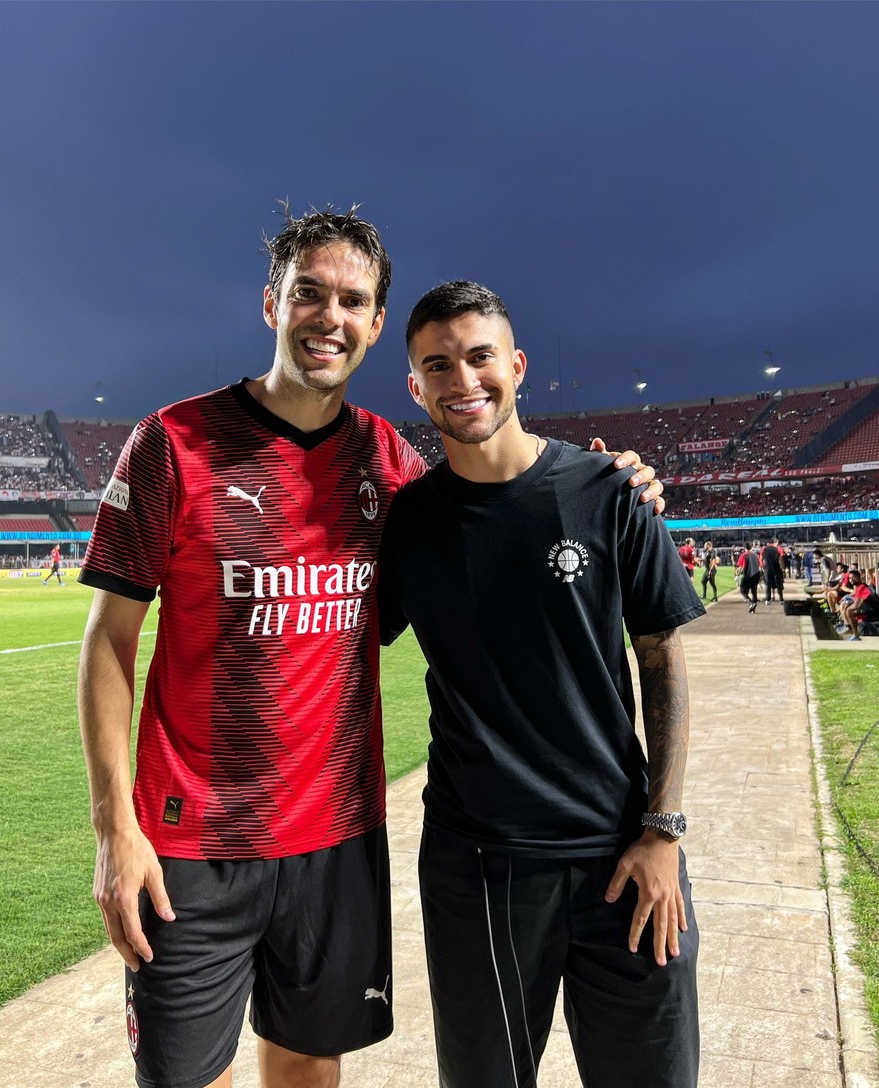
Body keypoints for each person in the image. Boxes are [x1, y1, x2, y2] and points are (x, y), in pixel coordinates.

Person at [76, 208, 666, 1088]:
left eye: (353, 299)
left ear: (377, 324)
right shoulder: (174, 443)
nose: (329, 315)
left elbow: (496, 514)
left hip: (335, 836)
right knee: (185, 1077)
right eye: (308, 293)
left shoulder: (388, 463)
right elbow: (109, 644)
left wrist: (614, 483)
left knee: (312, 1065)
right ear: (270, 302)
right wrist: (113, 828)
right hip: (191, 838)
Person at [378, 281, 704, 1088]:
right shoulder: (407, 525)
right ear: (415, 387)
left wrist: (662, 832)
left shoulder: (610, 493)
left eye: (480, 356)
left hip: (624, 858)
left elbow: (662, 660)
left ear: (516, 366)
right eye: (438, 365)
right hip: (479, 865)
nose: (464, 381)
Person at [838, 569, 879, 640]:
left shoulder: (862, 587)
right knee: (848, 610)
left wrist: (847, 609)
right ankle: (851, 629)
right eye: (850, 578)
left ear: (859, 577)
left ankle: (855, 635)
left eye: (853, 577)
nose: (851, 580)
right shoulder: (860, 587)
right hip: (869, 610)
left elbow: (856, 605)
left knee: (848, 611)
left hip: (873, 612)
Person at [737, 541, 761, 612]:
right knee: (754, 591)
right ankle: (754, 605)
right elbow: (759, 566)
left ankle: (751, 603)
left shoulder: (743, 555)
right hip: (756, 575)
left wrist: (737, 573)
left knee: (742, 590)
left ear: (744, 547)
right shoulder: (756, 555)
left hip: (747, 575)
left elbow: (740, 567)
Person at [760, 538, 783, 603]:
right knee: (779, 584)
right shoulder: (777, 549)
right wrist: (783, 569)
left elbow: (762, 559)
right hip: (776, 568)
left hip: (767, 569)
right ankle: (781, 599)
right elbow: (780, 559)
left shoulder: (764, 549)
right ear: (773, 542)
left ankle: (768, 599)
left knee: (768, 584)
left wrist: (762, 567)